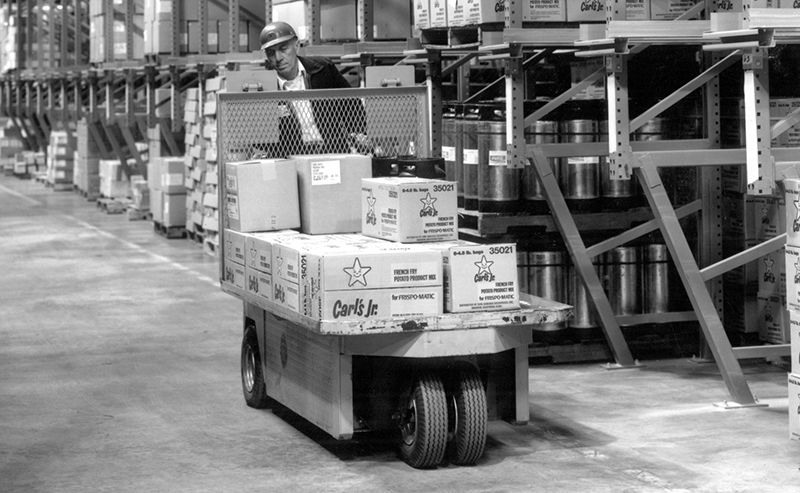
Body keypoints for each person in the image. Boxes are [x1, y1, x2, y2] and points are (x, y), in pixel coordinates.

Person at [259, 21, 368, 156]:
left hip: (332, 151)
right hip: (291, 158)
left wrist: (359, 135)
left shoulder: (323, 69)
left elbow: (352, 108)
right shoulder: (263, 87)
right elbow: (258, 137)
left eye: (283, 49)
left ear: (296, 46)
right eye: (271, 53)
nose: (278, 58)